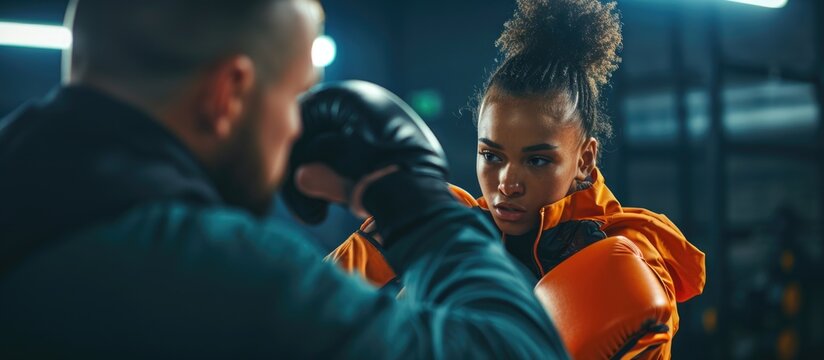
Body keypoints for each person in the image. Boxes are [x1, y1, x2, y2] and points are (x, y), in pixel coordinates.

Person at [0, 0, 570, 358]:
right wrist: (420, 207)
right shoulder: (214, 276)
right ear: (229, 94)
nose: (297, 127)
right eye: (296, 95)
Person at [327, 0, 706, 358]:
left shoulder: (628, 249)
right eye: (491, 156)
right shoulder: (445, 225)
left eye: (537, 160)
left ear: (585, 160)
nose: (507, 183)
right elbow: (302, 313)